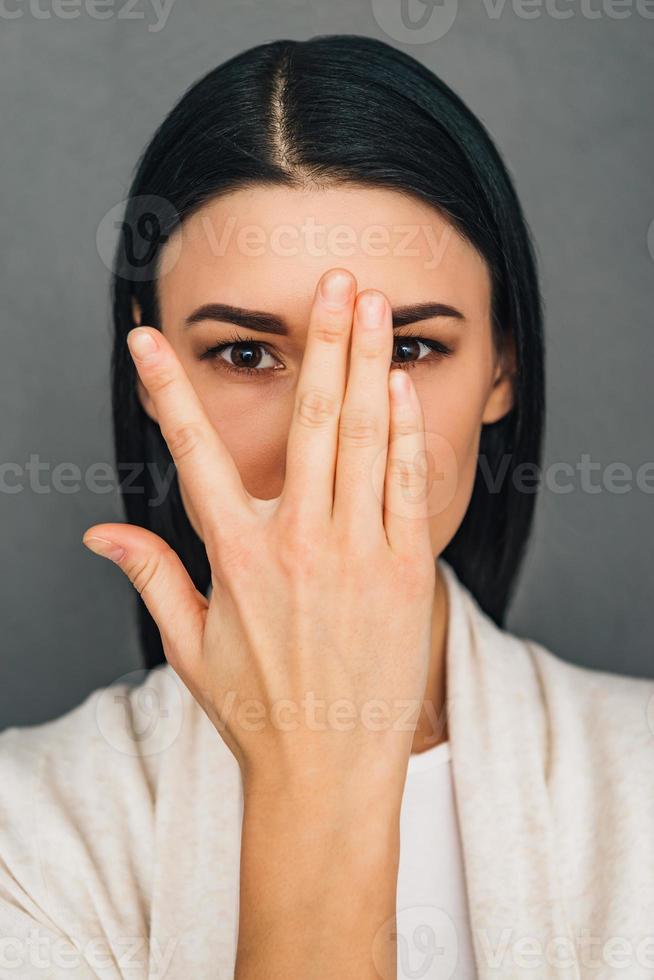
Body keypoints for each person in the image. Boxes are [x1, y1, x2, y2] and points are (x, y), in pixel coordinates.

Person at [1, 34, 653, 980]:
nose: (334, 431)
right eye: (247, 354)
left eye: (408, 348)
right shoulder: (27, 840)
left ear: (503, 367)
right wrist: (317, 770)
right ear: (152, 379)